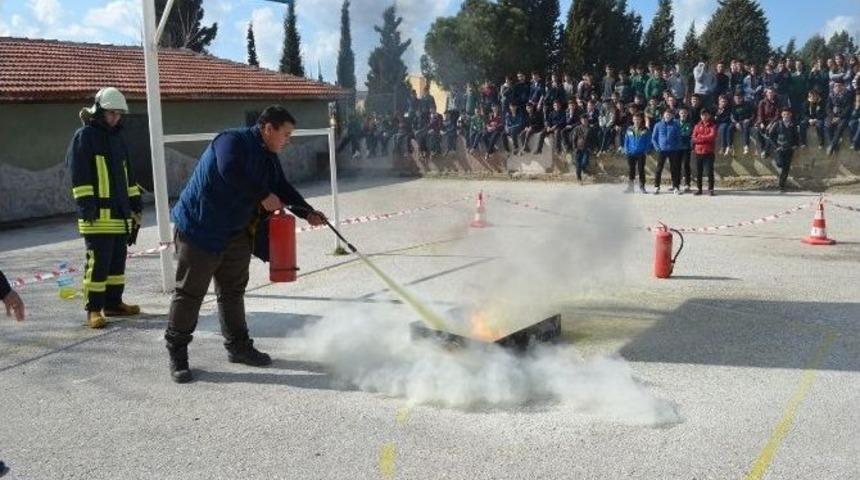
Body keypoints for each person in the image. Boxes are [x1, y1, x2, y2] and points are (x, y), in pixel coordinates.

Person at [165, 105, 326, 383]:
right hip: (200, 229)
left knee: (232, 291)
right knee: (190, 293)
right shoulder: (230, 141)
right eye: (285, 134)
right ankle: (177, 352)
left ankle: (238, 347)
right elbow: (229, 169)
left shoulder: (269, 156)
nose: (289, 140)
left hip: (236, 232)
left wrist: (307, 211)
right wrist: (262, 194)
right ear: (267, 128)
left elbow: (282, 187)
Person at [66, 87, 142, 329]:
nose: (115, 118)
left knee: (117, 263)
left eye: (119, 114)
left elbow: (128, 176)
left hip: (120, 215)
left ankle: (113, 303)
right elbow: (79, 175)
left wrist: (135, 205)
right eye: (111, 114)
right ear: (98, 111)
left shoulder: (117, 140)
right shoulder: (84, 137)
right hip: (96, 216)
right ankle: (94, 309)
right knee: (98, 263)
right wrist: (86, 206)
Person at [651, 109, 682, 195]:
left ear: (672, 116)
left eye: (669, 115)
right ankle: (656, 186)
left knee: (674, 169)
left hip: (673, 150)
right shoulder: (658, 125)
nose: (668, 116)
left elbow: (679, 138)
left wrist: (676, 147)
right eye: (666, 114)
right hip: (662, 150)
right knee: (659, 169)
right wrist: (657, 148)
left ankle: (676, 187)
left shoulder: (676, 125)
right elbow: (654, 138)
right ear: (663, 115)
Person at [768, 107, 799, 192]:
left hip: (789, 149)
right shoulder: (777, 124)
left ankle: (781, 185)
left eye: (788, 114)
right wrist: (776, 146)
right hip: (779, 148)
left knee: (786, 168)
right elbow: (770, 136)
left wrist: (795, 145)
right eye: (784, 114)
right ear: (782, 115)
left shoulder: (793, 124)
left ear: (790, 115)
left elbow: (796, 136)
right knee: (780, 163)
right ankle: (780, 168)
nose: (786, 116)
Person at [692, 108, 718, 196]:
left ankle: (711, 189)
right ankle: (699, 189)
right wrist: (704, 138)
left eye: (706, 114)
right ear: (700, 116)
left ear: (709, 116)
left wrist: (700, 137)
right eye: (703, 115)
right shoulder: (696, 126)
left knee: (709, 171)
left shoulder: (712, 126)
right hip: (698, 152)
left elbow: (712, 136)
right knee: (699, 172)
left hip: (709, 151)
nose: (704, 116)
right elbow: (694, 139)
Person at [623, 112, 651, 194]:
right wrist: (626, 149)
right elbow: (626, 141)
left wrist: (646, 150)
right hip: (631, 153)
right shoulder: (629, 129)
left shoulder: (645, 129)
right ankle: (630, 187)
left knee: (641, 170)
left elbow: (648, 141)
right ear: (633, 120)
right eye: (635, 119)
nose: (636, 121)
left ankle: (642, 187)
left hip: (641, 153)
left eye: (638, 119)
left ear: (641, 120)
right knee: (631, 170)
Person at [570, 115, 593, 182]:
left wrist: (591, 147)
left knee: (585, 161)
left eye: (586, 120)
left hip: (586, 148)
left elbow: (593, 139)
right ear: (581, 121)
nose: (585, 121)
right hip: (578, 148)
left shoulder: (590, 129)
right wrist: (574, 148)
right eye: (583, 120)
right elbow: (574, 138)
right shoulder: (577, 128)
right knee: (578, 163)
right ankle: (579, 178)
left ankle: (584, 169)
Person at [677, 107, 694, 192]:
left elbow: (688, 134)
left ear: (687, 114)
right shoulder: (675, 123)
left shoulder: (690, 123)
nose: (683, 114)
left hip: (686, 147)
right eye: (681, 113)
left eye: (685, 113)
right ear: (679, 114)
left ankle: (687, 184)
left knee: (686, 165)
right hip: (676, 148)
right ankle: (676, 184)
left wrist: (679, 135)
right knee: (677, 166)